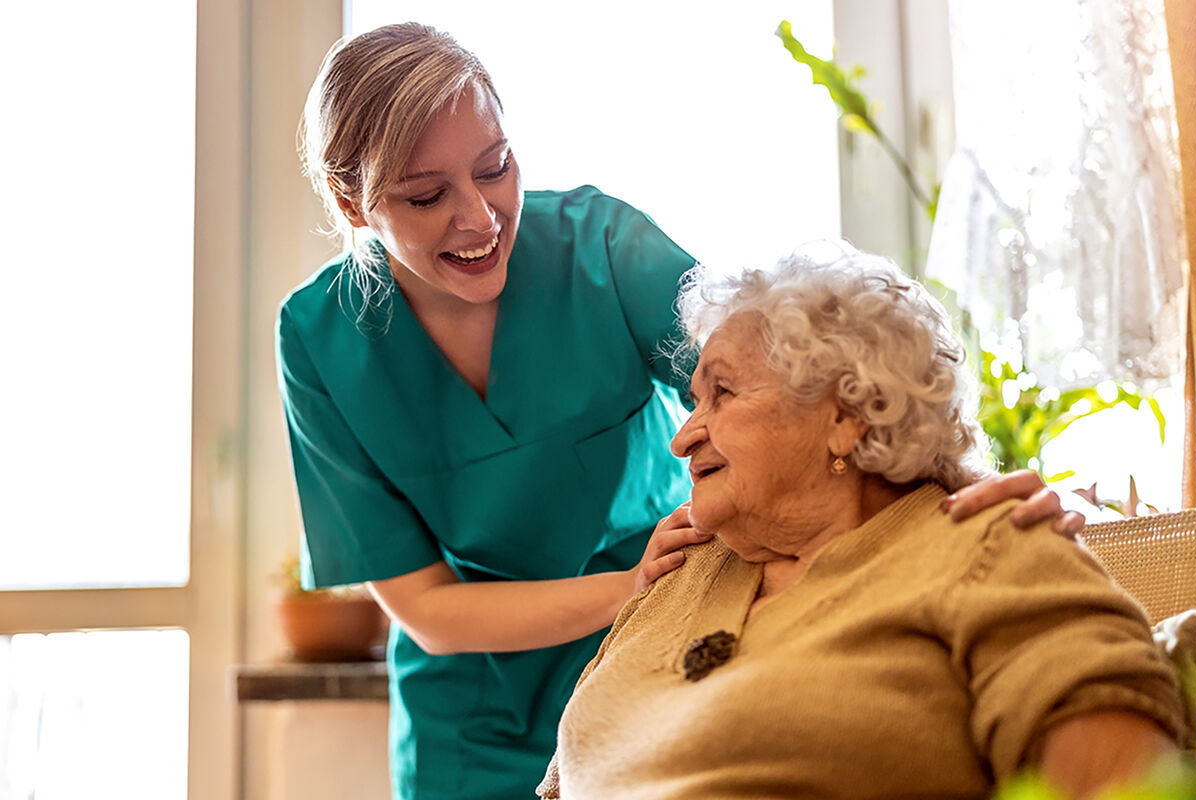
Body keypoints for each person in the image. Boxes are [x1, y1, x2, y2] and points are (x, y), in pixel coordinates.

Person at [277, 22, 1085, 800]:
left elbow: (793, 396)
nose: (481, 217)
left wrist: (976, 495)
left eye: (495, 166)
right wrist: (625, 590)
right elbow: (426, 609)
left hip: (662, 646)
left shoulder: (600, 247)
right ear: (354, 203)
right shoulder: (318, 342)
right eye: (426, 197)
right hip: (470, 713)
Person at [536, 241, 1186, 800]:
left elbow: (1122, 774)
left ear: (848, 415)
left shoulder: (987, 546)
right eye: (695, 399)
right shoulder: (678, 571)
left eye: (723, 393)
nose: (682, 439)